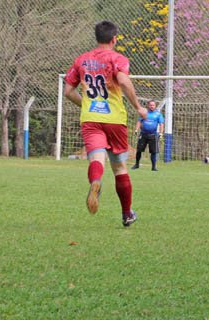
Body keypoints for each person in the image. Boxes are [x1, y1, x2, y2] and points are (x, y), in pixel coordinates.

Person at [64, 20, 147, 227]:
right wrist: (138, 107)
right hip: (114, 120)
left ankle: (95, 182)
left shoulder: (81, 60)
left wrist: (86, 105)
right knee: (119, 169)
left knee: (96, 160)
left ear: (96, 37)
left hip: (91, 119)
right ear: (114, 39)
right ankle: (127, 214)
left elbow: (68, 91)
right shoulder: (117, 59)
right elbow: (125, 81)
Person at [131, 100, 164, 171]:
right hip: (143, 134)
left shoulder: (158, 114)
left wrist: (161, 133)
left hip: (153, 135)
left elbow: (161, 124)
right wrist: (136, 130)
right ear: (148, 106)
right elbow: (139, 121)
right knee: (139, 150)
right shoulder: (144, 113)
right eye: (150, 105)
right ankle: (137, 164)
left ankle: (154, 167)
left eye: (153, 105)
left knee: (154, 151)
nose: (152, 106)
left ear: (155, 106)